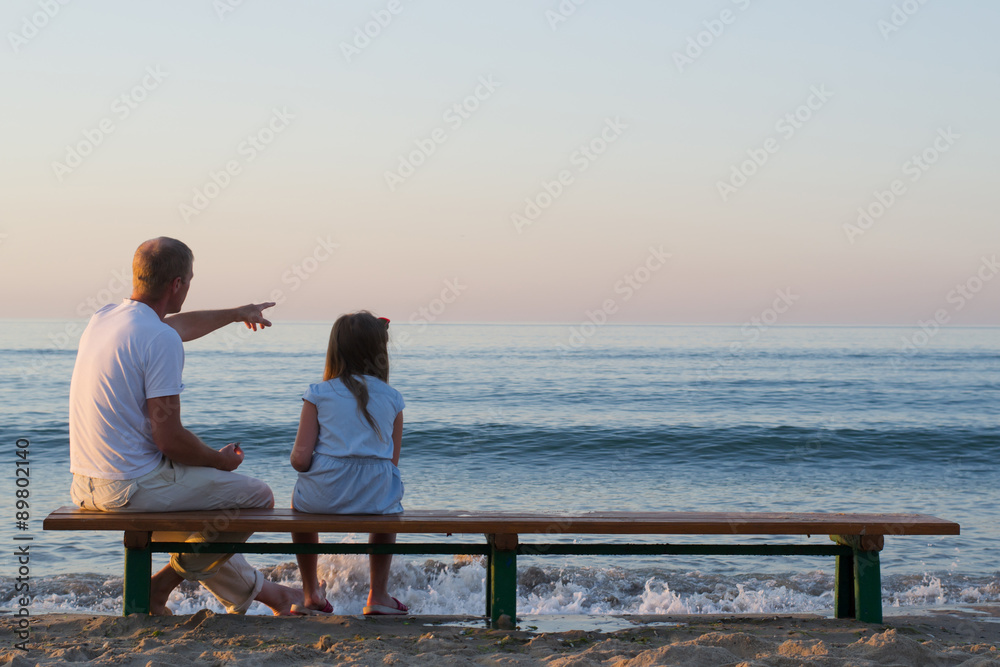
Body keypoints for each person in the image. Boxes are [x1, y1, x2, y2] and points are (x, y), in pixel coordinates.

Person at [69, 237, 301, 615]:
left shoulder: (105, 318)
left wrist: (235, 313)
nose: (190, 288)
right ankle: (159, 588)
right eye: (189, 280)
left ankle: (276, 596)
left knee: (199, 532)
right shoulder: (159, 339)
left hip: (85, 484)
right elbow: (170, 439)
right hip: (127, 489)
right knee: (256, 497)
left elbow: (174, 325)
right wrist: (219, 461)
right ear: (177, 284)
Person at [288, 311, 408, 616]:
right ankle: (378, 594)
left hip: (321, 499)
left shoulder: (317, 394)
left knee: (298, 504)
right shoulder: (393, 399)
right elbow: (391, 464)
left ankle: (310, 591)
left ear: (335, 349)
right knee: (388, 501)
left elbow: (300, 461)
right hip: (376, 498)